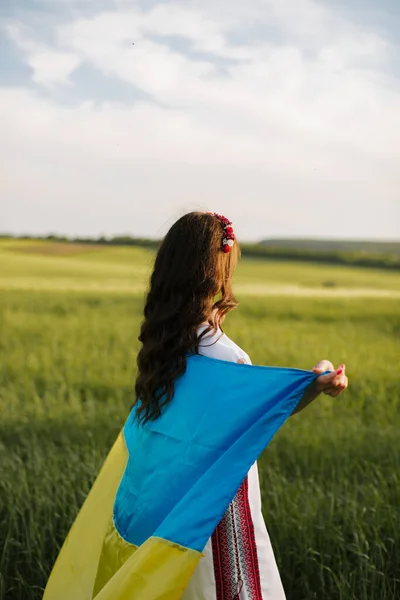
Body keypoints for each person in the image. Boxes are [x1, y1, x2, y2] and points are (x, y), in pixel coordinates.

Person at [134, 211, 348, 600]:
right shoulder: (226, 357)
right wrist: (319, 383)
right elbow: (258, 416)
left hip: (168, 503)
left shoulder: (165, 344)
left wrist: (310, 384)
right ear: (217, 272)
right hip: (218, 509)